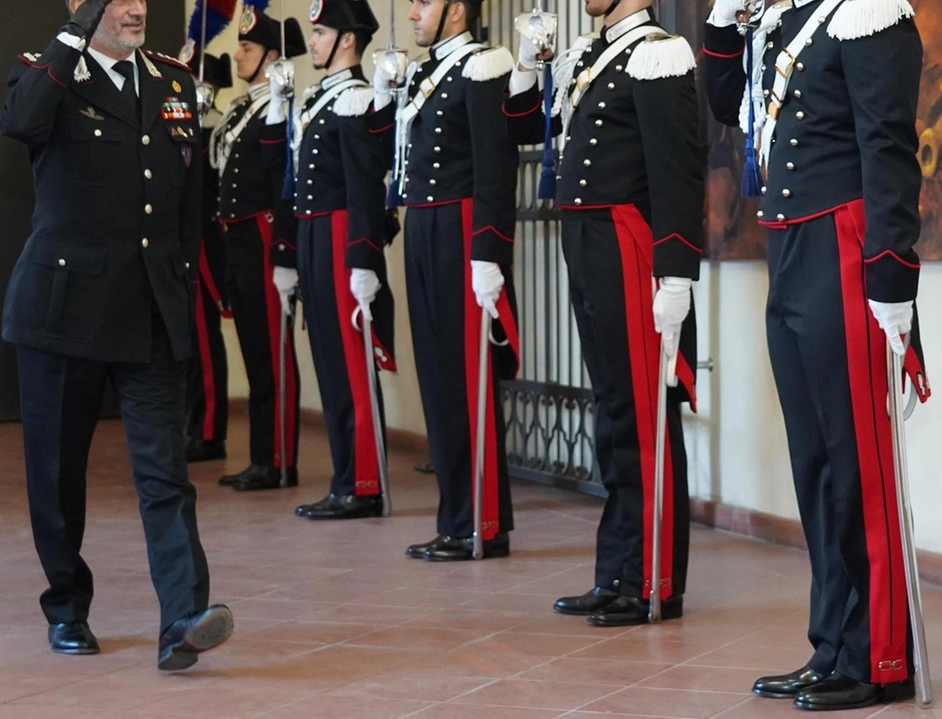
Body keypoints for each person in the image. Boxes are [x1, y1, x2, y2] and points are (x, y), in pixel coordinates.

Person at [703, 0, 928, 710]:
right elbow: (721, 100)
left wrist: (890, 270)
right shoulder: (787, 20)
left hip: (845, 241)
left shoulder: (868, 12)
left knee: (858, 460)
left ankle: (880, 655)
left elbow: (888, 143)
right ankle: (832, 643)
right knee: (816, 461)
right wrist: (720, 19)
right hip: (791, 242)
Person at [0, 0, 233, 671]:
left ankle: (182, 620)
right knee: (57, 472)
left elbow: (189, 203)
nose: (136, 8)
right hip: (64, 309)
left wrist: (182, 287)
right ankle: (68, 606)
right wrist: (72, 36)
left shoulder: (172, 81)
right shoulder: (47, 72)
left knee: (166, 473)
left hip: (150, 307)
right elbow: (20, 121)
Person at [504, 0, 704, 622]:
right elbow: (517, 126)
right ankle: (617, 569)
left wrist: (675, 272)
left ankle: (655, 579)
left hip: (628, 241)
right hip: (586, 239)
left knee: (643, 411)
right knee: (613, 410)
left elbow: (679, 171)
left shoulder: (659, 53)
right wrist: (527, 68)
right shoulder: (586, 57)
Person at [395, 0, 520, 559]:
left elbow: (496, 164)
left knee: (469, 378)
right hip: (423, 223)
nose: (413, 14)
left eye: (423, 3)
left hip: (462, 226)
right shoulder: (425, 72)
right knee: (438, 376)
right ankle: (455, 515)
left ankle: (484, 522)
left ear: (456, 10)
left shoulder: (483, 64)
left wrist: (489, 250)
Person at [267, 0, 397, 519]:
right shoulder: (321, 99)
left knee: (350, 361)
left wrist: (363, 257)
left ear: (347, 39)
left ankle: (364, 482)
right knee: (328, 359)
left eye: (320, 33)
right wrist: (290, 254)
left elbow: (367, 188)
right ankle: (345, 476)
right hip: (314, 234)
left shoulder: (357, 99)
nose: (312, 42)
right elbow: (286, 178)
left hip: (344, 234)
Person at [211, 8, 307, 491]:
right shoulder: (245, 106)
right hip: (237, 238)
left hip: (264, 234)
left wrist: (285, 250)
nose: (237, 54)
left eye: (246, 48)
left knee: (272, 350)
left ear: (272, 55)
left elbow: (283, 183)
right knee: (253, 347)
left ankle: (277, 459)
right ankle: (260, 456)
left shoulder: (280, 104)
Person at [185, 52, 234, 465]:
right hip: (180, 243)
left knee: (204, 341)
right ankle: (190, 423)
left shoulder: (215, 127)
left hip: (206, 244)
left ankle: (209, 431)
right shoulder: (183, 125)